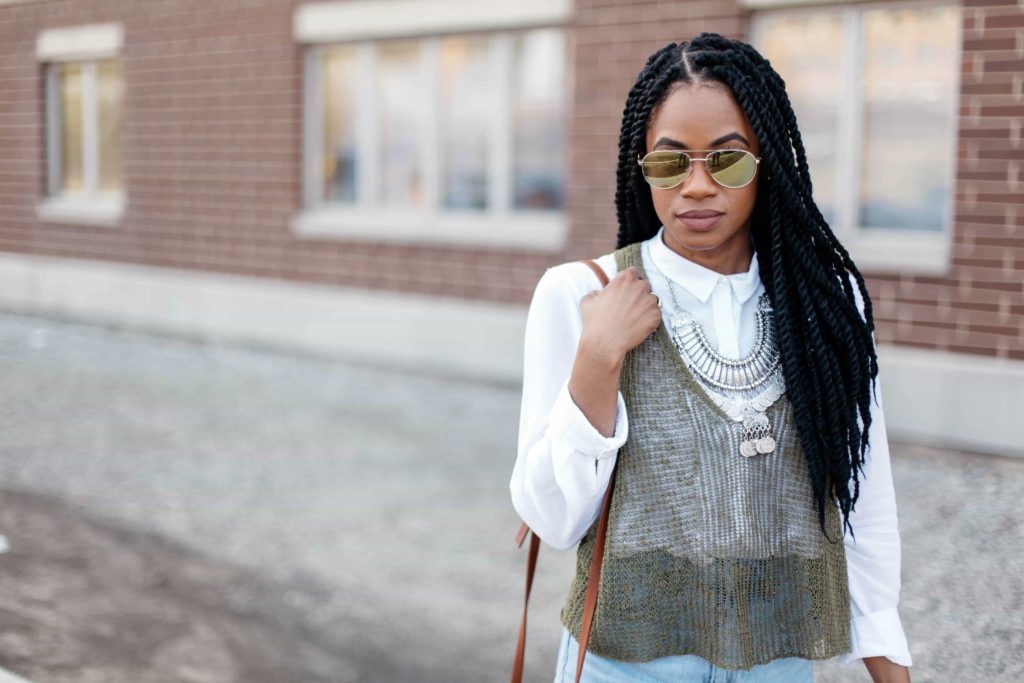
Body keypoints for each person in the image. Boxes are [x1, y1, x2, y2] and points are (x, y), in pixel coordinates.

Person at [509, 33, 913, 683]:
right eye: (670, 164)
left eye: (727, 161)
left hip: (777, 659)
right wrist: (597, 361)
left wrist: (888, 662)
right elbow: (552, 520)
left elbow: (863, 497)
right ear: (640, 167)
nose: (697, 186)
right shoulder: (580, 293)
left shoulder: (822, 304)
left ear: (767, 163)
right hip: (626, 658)